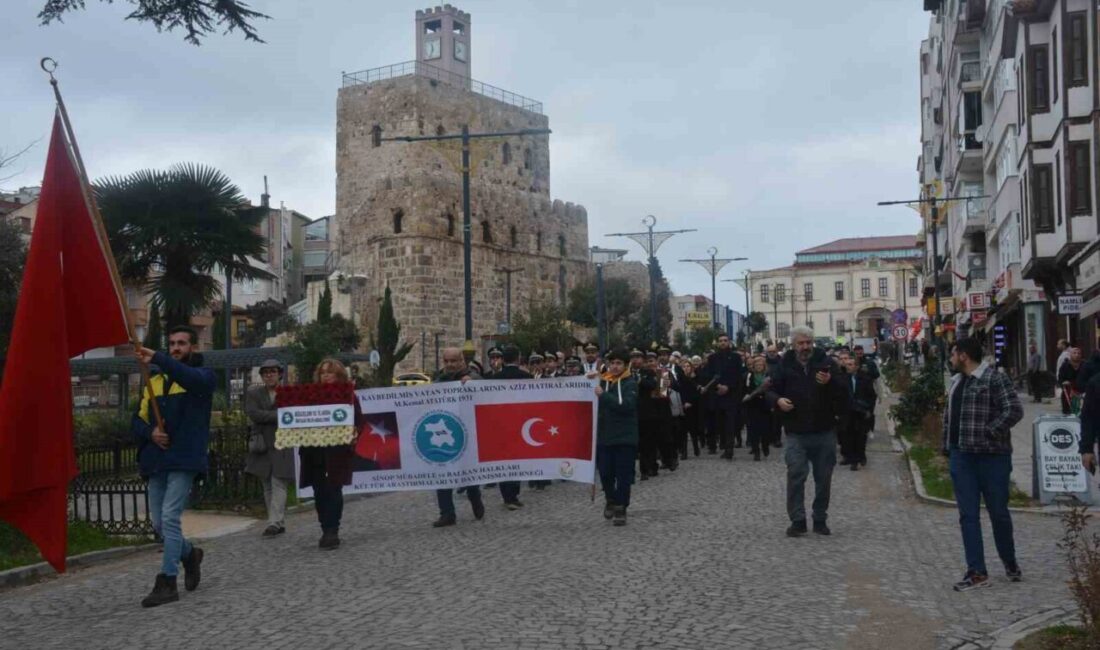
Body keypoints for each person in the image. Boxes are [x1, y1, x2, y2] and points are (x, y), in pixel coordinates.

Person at [132, 326, 216, 608]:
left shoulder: (202, 377)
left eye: (182, 343)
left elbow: (189, 377)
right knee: (158, 523)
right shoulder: (153, 381)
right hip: (157, 459)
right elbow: (136, 420)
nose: (176, 347)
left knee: (169, 518)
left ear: (193, 347)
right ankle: (190, 554)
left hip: (184, 458)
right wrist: (150, 432)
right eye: (172, 343)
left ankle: (167, 580)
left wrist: (158, 357)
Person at [943, 337, 1025, 591]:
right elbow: (950, 419)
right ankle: (977, 571)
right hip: (961, 457)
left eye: (954, 354)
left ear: (964, 355)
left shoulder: (993, 378)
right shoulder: (957, 382)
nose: (951, 358)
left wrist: (990, 432)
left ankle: (1009, 561)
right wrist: (946, 447)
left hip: (992, 457)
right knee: (968, 515)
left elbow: (1014, 410)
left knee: (998, 513)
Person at [765, 326, 847, 537]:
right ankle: (798, 519)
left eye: (808, 343)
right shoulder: (784, 365)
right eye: (801, 343)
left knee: (823, 479)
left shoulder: (826, 363)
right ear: (793, 344)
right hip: (796, 432)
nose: (805, 347)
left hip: (824, 431)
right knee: (795, 475)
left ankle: (820, 518)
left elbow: (844, 391)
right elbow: (770, 390)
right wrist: (778, 401)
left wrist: (830, 383)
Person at [299, 358, 357, 550]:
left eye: (329, 372)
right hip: (314, 450)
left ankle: (333, 530)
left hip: (337, 451)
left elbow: (358, 419)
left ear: (338, 375)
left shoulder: (347, 394)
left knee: (333, 489)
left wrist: (353, 433)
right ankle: (325, 528)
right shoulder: (310, 394)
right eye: (323, 372)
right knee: (319, 491)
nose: (326, 375)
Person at [431, 348, 485, 527]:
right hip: (445, 432)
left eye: (453, 361)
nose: (449, 365)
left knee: (468, 473)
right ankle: (447, 513)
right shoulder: (438, 381)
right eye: (446, 361)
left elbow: (486, 390)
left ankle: (475, 499)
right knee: (443, 472)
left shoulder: (472, 377)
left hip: (469, 433)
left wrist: (472, 383)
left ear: (462, 361)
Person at [244, 359, 296, 538]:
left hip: (283, 441)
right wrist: (280, 416)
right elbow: (253, 413)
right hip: (262, 444)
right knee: (266, 482)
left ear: (280, 374)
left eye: (273, 371)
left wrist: (269, 416)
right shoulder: (254, 393)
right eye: (266, 372)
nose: (269, 375)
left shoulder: (289, 392)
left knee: (279, 481)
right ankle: (277, 522)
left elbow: (292, 414)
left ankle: (273, 522)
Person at [595, 349, 640, 526]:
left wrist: (603, 395)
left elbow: (626, 405)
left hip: (624, 437)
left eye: (619, 363)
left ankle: (621, 507)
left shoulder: (630, 383)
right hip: (604, 436)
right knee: (605, 473)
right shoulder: (602, 381)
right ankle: (610, 499)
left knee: (623, 475)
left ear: (625, 365)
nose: (615, 366)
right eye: (612, 363)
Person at [494, 345, 529, 508]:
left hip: (500, 425)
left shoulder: (493, 379)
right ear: (518, 357)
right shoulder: (526, 377)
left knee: (503, 460)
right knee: (517, 459)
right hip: (520, 423)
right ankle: (513, 495)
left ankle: (507, 496)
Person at [705, 333, 745, 459]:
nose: (723, 343)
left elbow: (738, 376)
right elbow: (709, 375)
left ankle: (729, 448)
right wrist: (717, 386)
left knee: (730, 423)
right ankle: (724, 445)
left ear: (729, 342)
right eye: (720, 340)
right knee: (720, 423)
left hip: (731, 395)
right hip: (717, 395)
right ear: (717, 343)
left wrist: (728, 386)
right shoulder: (712, 358)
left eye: (725, 340)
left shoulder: (735, 357)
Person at [638, 353, 676, 477]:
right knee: (649, 442)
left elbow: (663, 392)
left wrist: (659, 384)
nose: (650, 363)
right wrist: (656, 383)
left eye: (652, 361)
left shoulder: (663, 372)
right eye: (648, 361)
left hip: (662, 411)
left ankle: (669, 460)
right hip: (647, 412)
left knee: (665, 438)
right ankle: (651, 467)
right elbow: (645, 385)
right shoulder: (642, 374)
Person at [839, 355, 875, 470]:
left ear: (857, 366)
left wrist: (869, 410)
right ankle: (852, 459)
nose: (847, 366)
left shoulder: (865, 379)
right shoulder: (843, 379)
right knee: (848, 436)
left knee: (860, 436)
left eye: (850, 364)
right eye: (847, 364)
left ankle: (860, 456)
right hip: (847, 412)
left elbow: (871, 396)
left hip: (861, 412)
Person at [741, 355, 773, 461]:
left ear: (764, 366)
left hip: (765, 404)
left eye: (761, 364)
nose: (759, 366)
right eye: (757, 365)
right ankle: (756, 451)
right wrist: (747, 395)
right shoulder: (749, 376)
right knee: (753, 429)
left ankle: (765, 446)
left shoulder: (768, 375)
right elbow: (746, 389)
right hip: (752, 405)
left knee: (765, 429)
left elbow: (772, 389)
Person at [677, 359, 704, 457]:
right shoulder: (680, 379)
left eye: (688, 366)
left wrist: (691, 402)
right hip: (682, 405)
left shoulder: (696, 378)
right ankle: (684, 452)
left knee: (693, 429)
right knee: (683, 430)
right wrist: (683, 402)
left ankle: (696, 447)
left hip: (693, 406)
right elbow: (680, 391)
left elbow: (697, 393)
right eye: (684, 366)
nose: (686, 368)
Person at [1059, 347, 1085, 415]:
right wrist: (1063, 382)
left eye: (1079, 353)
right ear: (1070, 354)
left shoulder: (1085, 365)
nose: (1077, 355)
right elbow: (1060, 378)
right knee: (1068, 413)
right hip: (1068, 392)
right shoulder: (1065, 365)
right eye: (1074, 353)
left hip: (1082, 392)